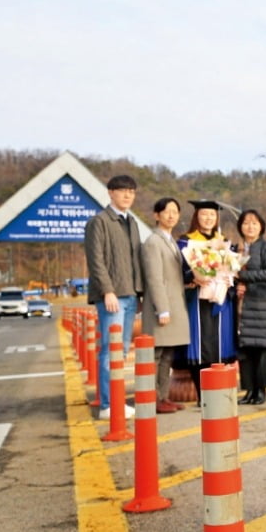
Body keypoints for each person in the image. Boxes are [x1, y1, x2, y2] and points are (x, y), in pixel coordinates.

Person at [84, 175, 143, 420]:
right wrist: (107, 290)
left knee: (123, 349)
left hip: (130, 295)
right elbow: (95, 260)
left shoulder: (132, 223)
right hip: (112, 296)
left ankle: (118, 400)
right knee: (110, 349)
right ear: (110, 193)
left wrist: (139, 292)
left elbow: (136, 260)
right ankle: (107, 404)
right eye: (122, 191)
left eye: (131, 191)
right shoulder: (99, 222)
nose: (127, 195)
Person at [176, 200, 237, 404]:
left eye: (212, 215)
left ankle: (218, 393)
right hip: (196, 298)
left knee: (220, 342)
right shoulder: (185, 242)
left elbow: (233, 269)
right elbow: (180, 269)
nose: (208, 218)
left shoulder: (225, 241)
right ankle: (203, 395)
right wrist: (192, 277)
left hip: (220, 299)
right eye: (204, 214)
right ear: (196, 217)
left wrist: (230, 278)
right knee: (199, 342)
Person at [141, 198, 190, 414]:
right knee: (156, 355)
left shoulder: (170, 241)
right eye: (166, 211)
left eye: (175, 212)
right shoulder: (153, 241)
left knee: (167, 355)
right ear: (156, 215)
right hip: (162, 307)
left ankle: (163, 396)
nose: (171, 216)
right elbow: (154, 278)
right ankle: (152, 398)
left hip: (175, 304)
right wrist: (162, 308)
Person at [234, 209, 266, 405]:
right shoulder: (236, 249)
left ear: (261, 226)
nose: (249, 226)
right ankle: (249, 390)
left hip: (262, 304)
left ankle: (260, 391)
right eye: (245, 223)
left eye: (254, 223)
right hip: (243, 306)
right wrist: (236, 286)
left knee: (261, 349)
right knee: (245, 349)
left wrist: (243, 277)